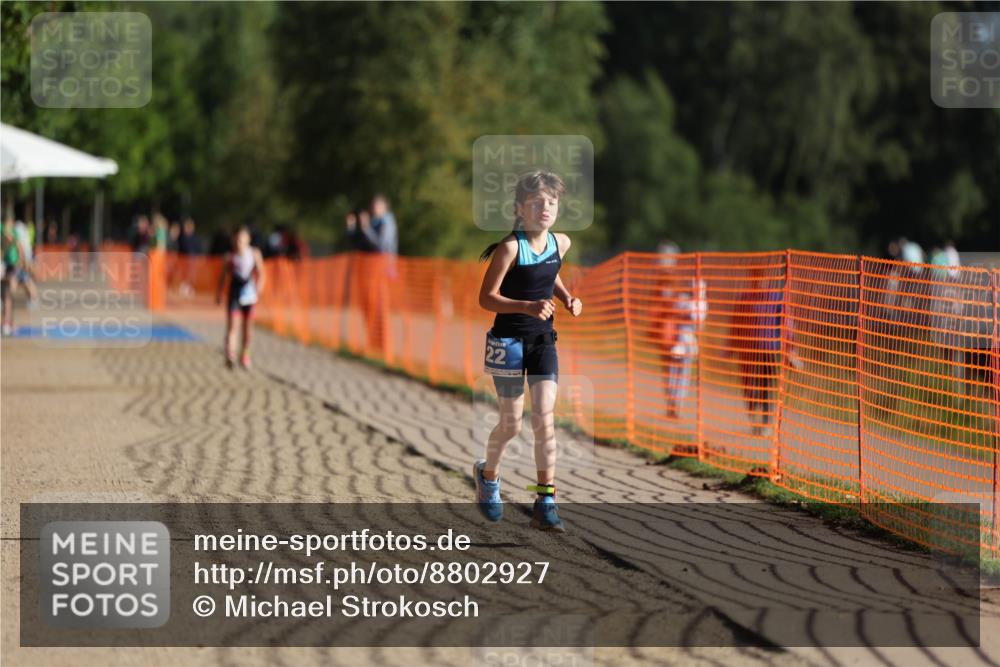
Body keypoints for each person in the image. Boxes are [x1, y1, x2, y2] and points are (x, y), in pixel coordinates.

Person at [475, 170, 583, 532]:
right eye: (537, 203)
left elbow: (549, 273)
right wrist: (526, 306)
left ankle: (545, 501)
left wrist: (566, 297)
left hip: (542, 342)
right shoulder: (509, 247)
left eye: (552, 202)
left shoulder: (560, 243)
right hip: (508, 343)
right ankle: (488, 476)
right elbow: (485, 298)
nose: (545, 208)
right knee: (511, 424)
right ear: (520, 208)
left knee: (545, 420)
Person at [215, 227, 265, 369]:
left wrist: (258, 288)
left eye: (241, 239)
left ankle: (245, 354)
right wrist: (219, 293)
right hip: (234, 294)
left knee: (247, 328)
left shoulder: (254, 254)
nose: (238, 242)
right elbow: (223, 277)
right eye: (236, 239)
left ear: (247, 239)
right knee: (233, 326)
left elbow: (262, 273)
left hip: (249, 295)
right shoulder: (229, 257)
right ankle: (230, 354)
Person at [2, 217, 27, 335]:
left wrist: (21, 263)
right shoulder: (4, 231)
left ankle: (8, 324)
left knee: (8, 296)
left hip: (11, 267)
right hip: (5, 266)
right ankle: (7, 324)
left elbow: (19, 249)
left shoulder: (13, 233)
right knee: (6, 297)